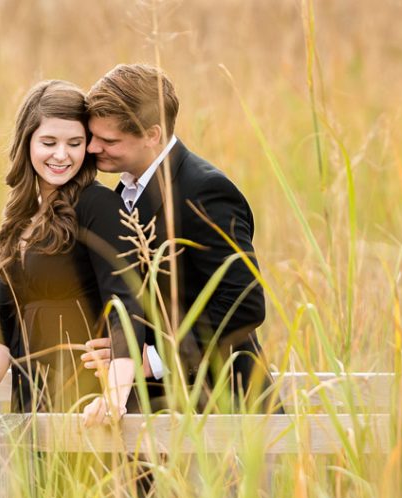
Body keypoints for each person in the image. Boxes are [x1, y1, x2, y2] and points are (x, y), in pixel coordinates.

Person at [0, 80, 143, 429]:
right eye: (49, 142)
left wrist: (113, 398)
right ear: (28, 142)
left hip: (88, 400)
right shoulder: (21, 214)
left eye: (75, 143)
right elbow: (2, 319)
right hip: (32, 398)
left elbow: (127, 305)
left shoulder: (99, 205)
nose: (61, 155)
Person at [79, 63, 270, 410]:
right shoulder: (125, 190)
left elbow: (244, 303)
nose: (92, 148)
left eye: (108, 140)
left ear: (152, 135)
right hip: (157, 417)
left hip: (220, 410)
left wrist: (151, 360)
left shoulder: (204, 190)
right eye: (92, 136)